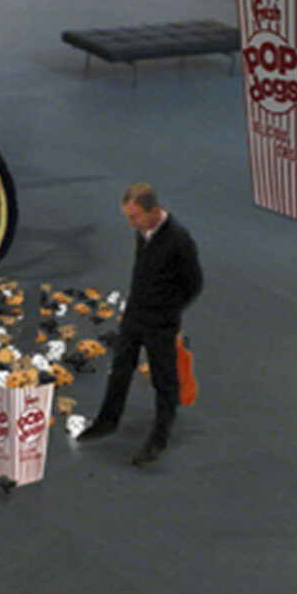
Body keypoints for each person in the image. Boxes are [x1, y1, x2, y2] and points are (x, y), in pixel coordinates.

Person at [76, 183, 203, 466]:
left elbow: (194, 283)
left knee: (164, 381)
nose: (131, 223)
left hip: (160, 322)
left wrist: (169, 312)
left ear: (153, 211)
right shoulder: (143, 232)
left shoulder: (179, 239)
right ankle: (107, 421)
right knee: (120, 369)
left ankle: (159, 439)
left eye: (134, 216)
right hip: (135, 316)